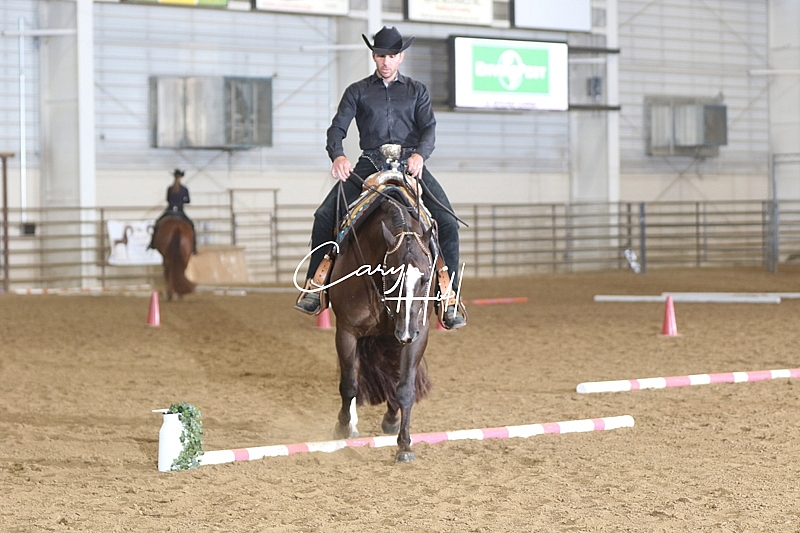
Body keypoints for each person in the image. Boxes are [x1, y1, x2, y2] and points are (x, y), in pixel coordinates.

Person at [294, 26, 466, 329]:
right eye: (381, 55)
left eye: (391, 55)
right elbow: (337, 128)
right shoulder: (357, 91)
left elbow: (428, 128)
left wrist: (420, 155)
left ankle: (447, 295)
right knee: (324, 215)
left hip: (410, 163)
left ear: (401, 57)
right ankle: (316, 284)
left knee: (448, 222)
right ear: (374, 56)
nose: (386, 61)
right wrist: (338, 155)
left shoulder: (417, 91)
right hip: (370, 162)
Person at [148, 168, 197, 254]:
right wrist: (182, 200)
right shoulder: (184, 189)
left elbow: (168, 200)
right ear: (181, 178)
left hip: (170, 210)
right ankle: (194, 247)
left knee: (157, 223)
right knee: (191, 225)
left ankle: (152, 243)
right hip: (180, 211)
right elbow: (188, 200)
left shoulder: (170, 188)